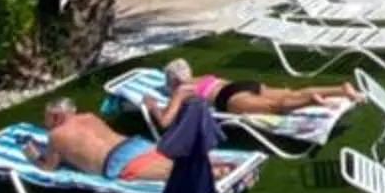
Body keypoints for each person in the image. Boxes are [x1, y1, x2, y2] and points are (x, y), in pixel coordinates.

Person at [150, 58, 355, 126]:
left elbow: (165, 121)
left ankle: (311, 101)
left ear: (174, 81)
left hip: (229, 98)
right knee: (292, 92)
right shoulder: (203, 77)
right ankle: (340, 89)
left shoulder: (183, 89)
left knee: (274, 107)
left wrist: (152, 107)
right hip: (243, 84)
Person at [34, 97, 169, 183]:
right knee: (175, 167)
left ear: (56, 117)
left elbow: (48, 168)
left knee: (171, 175)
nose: (44, 121)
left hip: (116, 160)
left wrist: (34, 155)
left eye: (46, 117)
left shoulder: (56, 135)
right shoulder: (89, 116)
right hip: (136, 143)